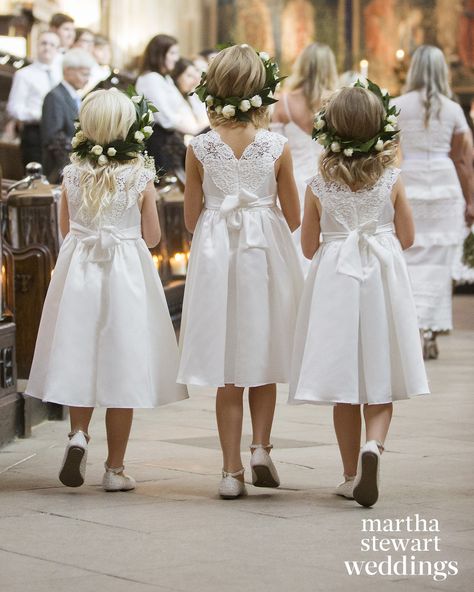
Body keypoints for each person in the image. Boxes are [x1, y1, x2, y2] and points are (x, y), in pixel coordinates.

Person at [26, 88, 188, 491]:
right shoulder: (139, 175)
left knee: (80, 354)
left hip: (79, 271)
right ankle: (115, 470)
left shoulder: (72, 174)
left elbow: (66, 231)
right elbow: (151, 237)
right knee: (124, 363)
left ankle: (78, 435)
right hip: (125, 275)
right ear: (128, 129)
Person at [289, 83, 429, 507]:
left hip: (335, 279)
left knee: (344, 381)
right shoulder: (392, 180)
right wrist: (377, 238)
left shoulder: (317, 185)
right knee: (380, 372)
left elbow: (309, 247)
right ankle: (375, 447)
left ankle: (351, 474)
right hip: (381, 276)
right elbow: (407, 236)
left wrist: (340, 238)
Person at [177, 45, 303, 499]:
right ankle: (261, 448)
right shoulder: (277, 146)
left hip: (216, 255)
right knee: (262, 351)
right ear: (263, 91)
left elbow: (191, 220)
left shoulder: (200, 146)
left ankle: (230, 472)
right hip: (263, 251)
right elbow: (294, 215)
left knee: (226, 363)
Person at [394, 46, 474, 359]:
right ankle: (432, 329)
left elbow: (387, 154)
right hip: (444, 186)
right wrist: (471, 200)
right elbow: (464, 160)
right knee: (440, 265)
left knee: (409, 258)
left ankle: (412, 326)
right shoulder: (453, 109)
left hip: (410, 182)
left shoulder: (397, 105)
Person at [272, 42, 338, 274]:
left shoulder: (284, 102)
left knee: (295, 244)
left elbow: (276, 151)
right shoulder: (338, 103)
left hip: (294, 182)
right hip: (330, 181)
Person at [136, 34, 204, 174]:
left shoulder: (165, 78)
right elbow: (165, 118)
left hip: (172, 138)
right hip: (160, 142)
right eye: (172, 53)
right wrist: (196, 131)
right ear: (159, 54)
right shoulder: (151, 79)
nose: (176, 58)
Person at [7, 31, 61, 167]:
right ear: (36, 46)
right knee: (36, 175)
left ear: (57, 50)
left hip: (57, 134)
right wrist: (39, 116)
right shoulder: (24, 74)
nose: (47, 47)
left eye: (52, 44)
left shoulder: (60, 75)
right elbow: (14, 108)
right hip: (34, 132)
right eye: (43, 43)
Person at [41, 48, 95, 182]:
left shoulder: (74, 96)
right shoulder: (54, 96)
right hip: (60, 170)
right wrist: (79, 159)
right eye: (84, 74)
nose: (87, 79)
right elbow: (53, 137)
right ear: (68, 71)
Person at [172, 58, 209, 138]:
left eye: (193, 76)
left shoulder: (190, 96)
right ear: (177, 76)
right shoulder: (174, 98)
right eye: (189, 76)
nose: (193, 80)